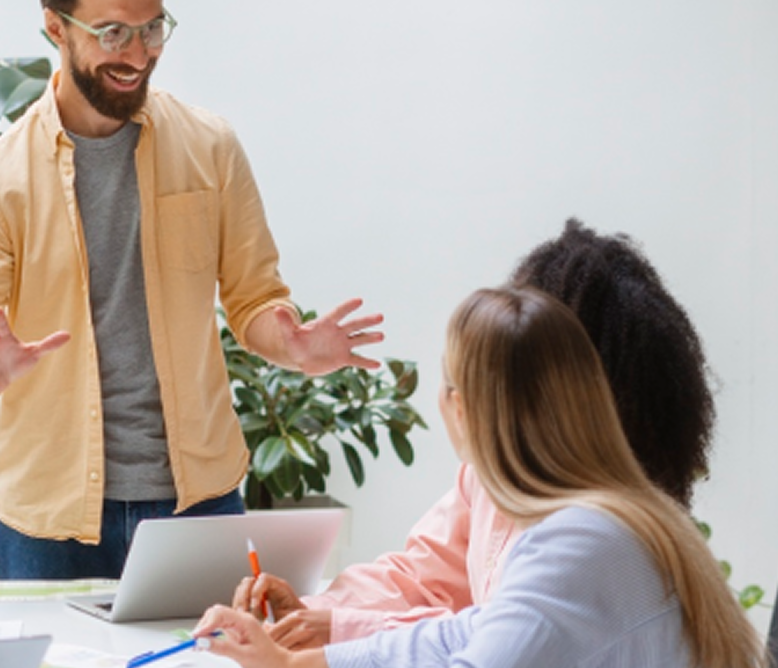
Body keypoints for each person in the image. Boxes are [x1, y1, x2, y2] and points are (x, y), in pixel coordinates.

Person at [0, 0, 385, 580]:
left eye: (151, 29)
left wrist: (292, 345)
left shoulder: (210, 146)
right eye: (113, 33)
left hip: (199, 499)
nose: (139, 55)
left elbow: (254, 297)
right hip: (49, 516)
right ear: (55, 26)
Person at [195, 287, 767, 667]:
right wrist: (316, 649)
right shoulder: (615, 517)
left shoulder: (577, 545)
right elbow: (468, 631)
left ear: (462, 408)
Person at [233, 220, 718, 647]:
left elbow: (487, 638)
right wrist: (315, 614)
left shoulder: (587, 535)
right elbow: (420, 578)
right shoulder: (489, 478)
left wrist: (333, 632)